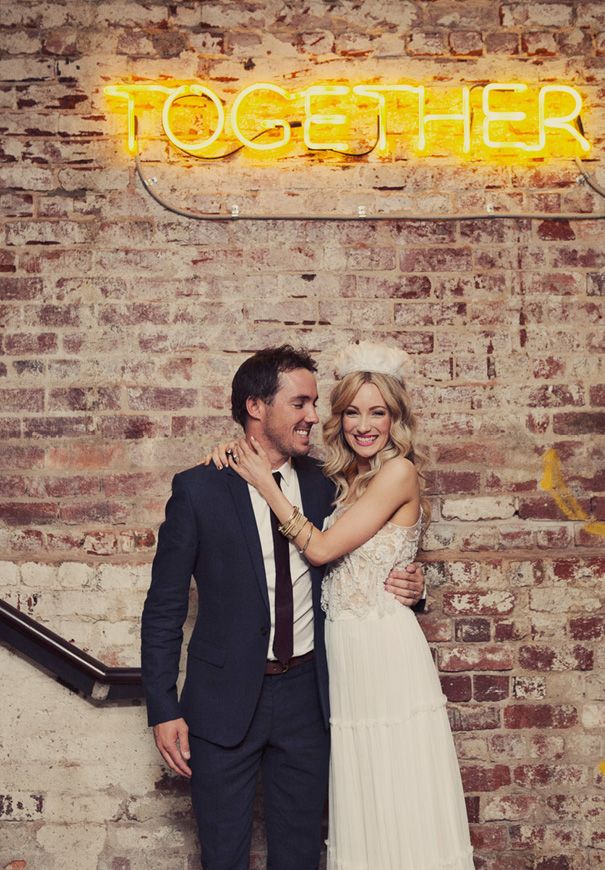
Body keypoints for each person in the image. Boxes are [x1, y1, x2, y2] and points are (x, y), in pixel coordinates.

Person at [141, 344, 425, 870]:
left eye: (315, 404)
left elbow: (364, 549)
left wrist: (412, 583)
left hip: (309, 699)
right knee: (222, 856)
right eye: (300, 404)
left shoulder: (327, 485)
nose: (315, 417)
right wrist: (163, 707)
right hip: (222, 704)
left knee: (299, 856)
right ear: (256, 407)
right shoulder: (200, 488)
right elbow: (163, 608)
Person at [221, 341, 474, 870]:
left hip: (382, 651)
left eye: (377, 412)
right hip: (343, 658)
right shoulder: (341, 479)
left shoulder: (397, 472)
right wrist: (226, 456)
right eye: (353, 411)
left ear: (395, 418)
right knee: (362, 792)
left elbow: (320, 549)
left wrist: (265, 486)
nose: (364, 424)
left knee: (396, 786)